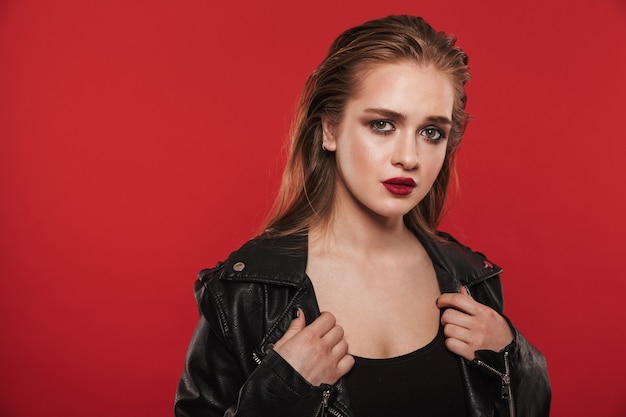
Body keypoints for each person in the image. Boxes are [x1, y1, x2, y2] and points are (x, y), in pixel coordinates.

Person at [174, 14, 551, 417]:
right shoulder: (246, 291)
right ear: (330, 129)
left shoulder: (474, 283)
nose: (408, 157)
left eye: (431, 132)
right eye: (383, 124)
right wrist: (278, 397)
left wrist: (514, 357)